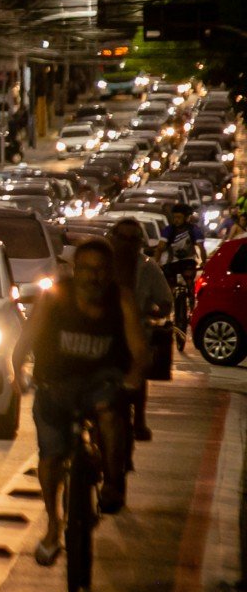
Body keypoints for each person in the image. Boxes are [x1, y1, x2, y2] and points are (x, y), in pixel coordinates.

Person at [13, 238, 147, 563]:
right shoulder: (54, 297)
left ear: (110, 273)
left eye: (100, 270)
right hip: (55, 384)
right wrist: (17, 371)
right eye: (86, 269)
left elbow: (139, 348)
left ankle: (113, 482)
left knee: (110, 415)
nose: (93, 277)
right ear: (75, 271)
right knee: (51, 457)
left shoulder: (121, 299)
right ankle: (53, 522)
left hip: (102, 381)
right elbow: (27, 337)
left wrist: (133, 377)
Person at [109, 219, 172, 442]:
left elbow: (165, 302)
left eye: (132, 239)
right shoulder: (101, 265)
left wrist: (152, 314)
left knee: (138, 374)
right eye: (122, 238)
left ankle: (139, 420)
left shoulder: (147, 268)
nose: (126, 244)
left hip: (135, 336)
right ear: (112, 239)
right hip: (102, 336)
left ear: (140, 243)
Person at [162, 203, 206, 346]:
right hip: (172, 263)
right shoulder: (169, 230)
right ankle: (169, 310)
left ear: (187, 218)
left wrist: (204, 262)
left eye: (179, 217)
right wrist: (156, 262)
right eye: (174, 217)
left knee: (189, 281)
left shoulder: (194, 230)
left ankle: (192, 305)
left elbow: (200, 247)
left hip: (188, 262)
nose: (176, 220)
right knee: (169, 287)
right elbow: (160, 248)